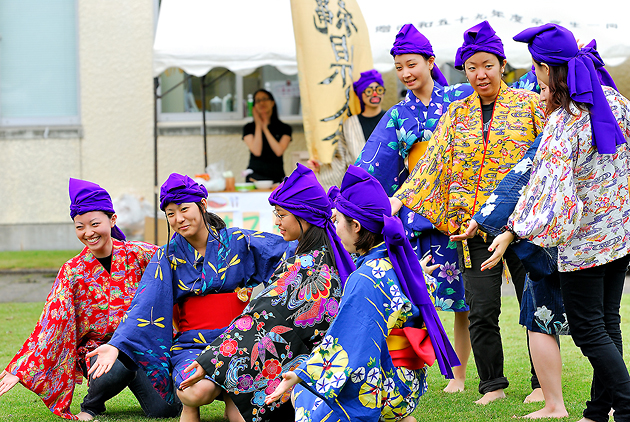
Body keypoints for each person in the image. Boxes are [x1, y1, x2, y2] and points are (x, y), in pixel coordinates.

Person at [391, 21, 545, 404]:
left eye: (487, 65)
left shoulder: (528, 106)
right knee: (481, 308)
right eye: (472, 67)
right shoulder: (457, 113)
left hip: (523, 224)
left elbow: (547, 159)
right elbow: (431, 164)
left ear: (502, 65)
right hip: (474, 229)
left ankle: (541, 382)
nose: (480, 74)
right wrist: (397, 200)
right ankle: (492, 385)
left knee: (534, 305)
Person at [484, 23, 630, 422]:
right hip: (619, 237)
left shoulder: (564, 121)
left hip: (584, 245)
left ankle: (628, 406)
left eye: (536, 67)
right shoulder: (615, 102)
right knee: (607, 324)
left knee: (588, 330)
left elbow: (546, 191)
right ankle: (599, 411)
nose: (534, 74)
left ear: (547, 69)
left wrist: (511, 230)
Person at [86, 173, 295, 422]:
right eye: (171, 213)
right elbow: (145, 303)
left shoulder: (239, 241)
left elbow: (286, 255)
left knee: (241, 416)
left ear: (203, 205)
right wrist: (116, 344)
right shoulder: (167, 256)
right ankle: (191, 408)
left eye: (184, 209)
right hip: (193, 344)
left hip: (240, 341)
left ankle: (231, 395)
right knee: (194, 392)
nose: (179, 219)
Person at [265, 165, 459, 422]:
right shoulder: (398, 258)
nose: (333, 228)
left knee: (308, 398)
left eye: (337, 221)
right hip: (410, 380)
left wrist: (301, 374)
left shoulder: (367, 277)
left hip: (390, 386)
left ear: (356, 225)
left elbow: (348, 343)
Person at [177, 163, 357, 422]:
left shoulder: (308, 265)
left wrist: (209, 360)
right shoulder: (316, 254)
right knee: (232, 405)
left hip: (314, 373)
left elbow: (262, 317)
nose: (276, 222)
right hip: (320, 365)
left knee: (237, 412)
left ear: (304, 217)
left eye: (281, 215)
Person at [355, 23, 475, 393]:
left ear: (429, 61)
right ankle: (405, 372)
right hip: (417, 217)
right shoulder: (397, 115)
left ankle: (458, 375)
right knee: (412, 298)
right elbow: (372, 163)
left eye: (412, 64)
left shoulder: (460, 96)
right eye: (399, 68)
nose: (406, 73)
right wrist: (346, 197)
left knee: (461, 302)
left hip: (457, 211)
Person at [0, 178, 181, 420]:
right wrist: (21, 369)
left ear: (112, 220)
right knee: (113, 364)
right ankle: (92, 404)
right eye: (80, 227)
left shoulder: (142, 254)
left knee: (166, 410)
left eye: (95, 224)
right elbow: (52, 322)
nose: (88, 233)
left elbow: (179, 273)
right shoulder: (72, 270)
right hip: (98, 356)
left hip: (141, 348)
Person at [309, 69, 387, 189]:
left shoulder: (392, 118)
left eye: (379, 89)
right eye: (369, 90)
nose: (375, 94)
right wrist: (321, 169)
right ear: (361, 94)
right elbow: (342, 159)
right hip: (361, 186)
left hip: (390, 182)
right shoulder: (349, 124)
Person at [243, 89, 292, 183]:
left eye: (265, 99)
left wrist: (265, 128)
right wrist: (258, 125)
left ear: (272, 102)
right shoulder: (248, 128)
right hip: (254, 178)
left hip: (276, 178)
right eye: (257, 100)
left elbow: (279, 151)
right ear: (254, 106)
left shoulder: (284, 128)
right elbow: (256, 151)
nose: (261, 103)